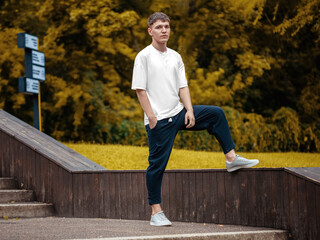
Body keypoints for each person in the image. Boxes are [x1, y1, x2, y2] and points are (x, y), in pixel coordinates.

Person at [131, 12, 259, 227]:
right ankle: (156, 212)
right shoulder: (143, 56)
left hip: (179, 112)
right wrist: (151, 118)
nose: (164, 30)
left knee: (215, 113)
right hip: (159, 120)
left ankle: (231, 159)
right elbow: (140, 90)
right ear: (150, 31)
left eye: (167, 26)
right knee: (157, 165)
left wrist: (189, 110)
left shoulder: (175, 56)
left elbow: (183, 86)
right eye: (159, 27)